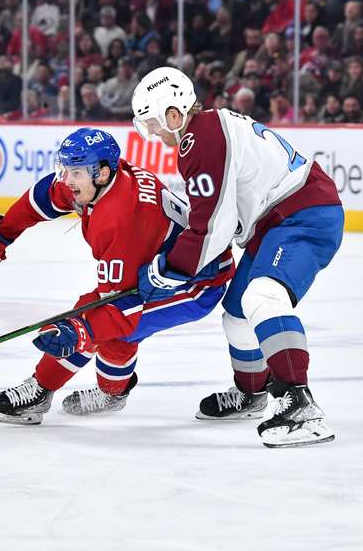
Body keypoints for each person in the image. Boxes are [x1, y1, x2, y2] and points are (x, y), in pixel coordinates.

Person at [131, 66, 343, 448]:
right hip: (277, 221)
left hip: (304, 217)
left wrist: (170, 269)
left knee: (263, 295)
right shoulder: (207, 130)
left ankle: (299, 404)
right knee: (238, 314)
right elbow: (218, 223)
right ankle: (252, 393)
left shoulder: (201, 140)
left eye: (153, 123)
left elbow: (213, 226)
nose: (153, 134)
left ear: (172, 113)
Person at [0, 127, 234, 425]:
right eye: (65, 169)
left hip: (195, 282)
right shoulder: (100, 180)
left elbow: (120, 308)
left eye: (75, 172)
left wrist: (80, 331)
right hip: (157, 266)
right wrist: (2, 233)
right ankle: (112, 391)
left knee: (99, 323)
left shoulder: (120, 219)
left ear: (102, 173)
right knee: (99, 324)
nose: (67, 181)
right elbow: (44, 197)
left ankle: (44, 390)